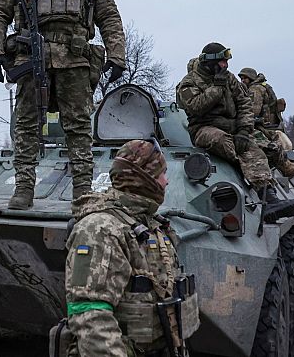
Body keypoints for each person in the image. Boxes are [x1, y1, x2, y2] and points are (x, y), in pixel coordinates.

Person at [0, 0, 126, 209]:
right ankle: (24, 188)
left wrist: (117, 56)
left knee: (77, 127)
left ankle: (82, 191)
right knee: (25, 125)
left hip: (74, 60)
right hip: (31, 57)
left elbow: (109, 16)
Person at [64, 139, 197, 356]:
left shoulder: (148, 223)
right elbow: (91, 317)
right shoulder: (101, 229)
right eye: (162, 174)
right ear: (144, 180)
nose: (167, 181)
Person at [176, 43, 294, 203]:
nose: (226, 65)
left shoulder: (228, 77)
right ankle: (244, 174)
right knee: (222, 141)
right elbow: (196, 106)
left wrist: (244, 130)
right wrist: (217, 87)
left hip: (233, 128)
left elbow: (244, 103)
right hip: (204, 128)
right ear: (209, 62)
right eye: (222, 61)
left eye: (226, 61)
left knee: (254, 149)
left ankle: (269, 198)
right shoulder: (189, 82)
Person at [238, 67, 294, 151]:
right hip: (273, 126)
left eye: (245, 78)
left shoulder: (255, 89)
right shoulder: (262, 86)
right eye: (241, 78)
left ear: (251, 77)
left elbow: (253, 111)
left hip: (264, 127)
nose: (242, 81)